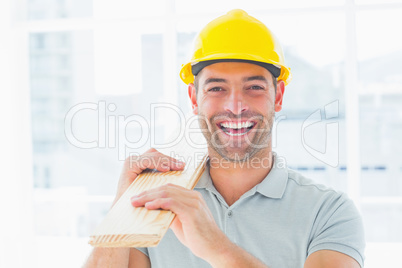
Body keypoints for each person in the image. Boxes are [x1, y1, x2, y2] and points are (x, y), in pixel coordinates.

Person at [84, 9, 365, 268]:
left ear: (277, 96)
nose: (235, 105)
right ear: (194, 99)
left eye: (254, 87)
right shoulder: (160, 201)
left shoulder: (329, 212)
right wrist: (122, 205)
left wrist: (216, 247)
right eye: (217, 88)